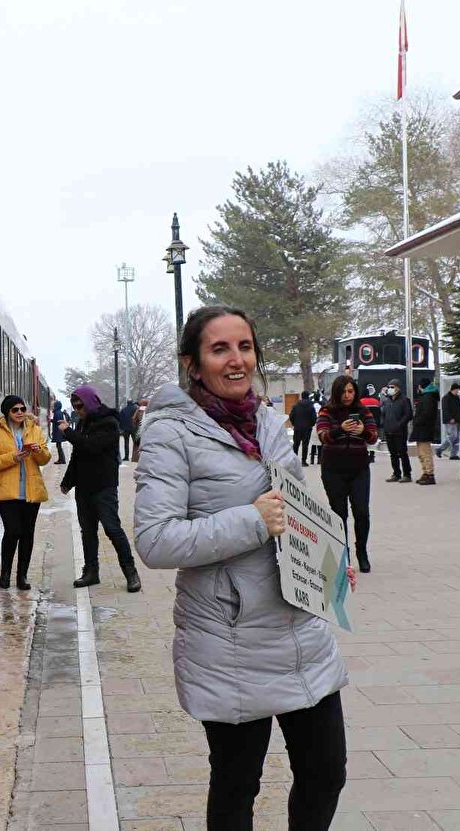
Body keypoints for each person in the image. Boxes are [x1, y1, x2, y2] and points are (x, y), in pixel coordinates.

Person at [133, 305, 353, 830]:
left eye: (245, 346)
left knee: (326, 772)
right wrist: (252, 522)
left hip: (300, 624)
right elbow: (155, 540)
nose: (237, 361)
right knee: (237, 785)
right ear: (193, 364)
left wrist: (330, 556)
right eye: (220, 349)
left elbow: (295, 503)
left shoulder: (271, 421)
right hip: (228, 638)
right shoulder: (170, 434)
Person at [59, 386, 141, 592]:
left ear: (91, 402)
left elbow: (91, 446)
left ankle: (131, 572)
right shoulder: (83, 424)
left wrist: (67, 432)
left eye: (80, 406)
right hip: (84, 488)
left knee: (112, 529)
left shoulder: (109, 423)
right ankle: (91, 571)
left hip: (104, 486)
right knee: (87, 531)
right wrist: (68, 481)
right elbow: (78, 455)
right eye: (74, 407)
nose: (78, 410)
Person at [0, 395, 52, 590]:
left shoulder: (35, 430)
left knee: (27, 534)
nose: (20, 413)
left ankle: (22, 577)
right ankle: (5, 574)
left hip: (31, 491)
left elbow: (45, 459)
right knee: (13, 531)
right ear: (7, 412)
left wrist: (38, 451)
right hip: (7, 492)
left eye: (22, 409)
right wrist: (13, 457)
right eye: (15, 410)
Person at [317, 376, 378, 574]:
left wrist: (362, 432)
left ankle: (362, 550)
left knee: (362, 512)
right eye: (343, 392)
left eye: (351, 391)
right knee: (339, 513)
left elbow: (374, 437)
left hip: (359, 468)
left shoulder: (363, 411)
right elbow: (323, 436)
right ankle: (343, 553)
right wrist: (339, 429)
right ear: (336, 392)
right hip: (333, 469)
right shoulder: (327, 411)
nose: (347, 396)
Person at [379, 379, 413, 482]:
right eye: (389, 387)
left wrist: (399, 424)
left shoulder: (404, 400)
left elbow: (408, 415)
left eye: (392, 387)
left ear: (398, 388)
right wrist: (384, 425)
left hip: (399, 431)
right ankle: (396, 473)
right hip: (389, 431)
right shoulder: (387, 400)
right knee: (393, 453)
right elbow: (384, 414)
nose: (390, 389)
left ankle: (407, 474)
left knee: (402, 453)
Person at [411, 380, 440, 485]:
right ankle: (425, 473)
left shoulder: (427, 397)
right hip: (423, 429)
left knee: (425, 452)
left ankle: (429, 474)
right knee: (421, 452)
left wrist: (417, 421)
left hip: (424, 428)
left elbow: (426, 413)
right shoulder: (428, 396)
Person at [436, 382, 460, 460]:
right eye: (457, 390)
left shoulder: (457, 398)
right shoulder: (446, 398)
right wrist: (450, 418)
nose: (458, 391)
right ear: (453, 389)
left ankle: (454, 454)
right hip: (451, 421)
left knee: (457, 437)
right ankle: (440, 449)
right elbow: (445, 409)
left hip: (459, 420)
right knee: (453, 436)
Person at [289, 391, 318, 466]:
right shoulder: (311, 406)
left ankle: (294, 461)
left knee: (296, 445)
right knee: (305, 445)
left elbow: (291, 416)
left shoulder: (296, 406)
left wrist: (294, 424)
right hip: (307, 429)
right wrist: (311, 425)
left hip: (297, 428)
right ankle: (303, 461)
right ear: (308, 396)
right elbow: (314, 418)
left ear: (301, 396)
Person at [131, 397, 149, 462]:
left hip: (138, 429)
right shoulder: (149, 410)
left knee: (137, 445)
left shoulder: (138, 409)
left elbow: (134, 418)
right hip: (147, 430)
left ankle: (137, 458)